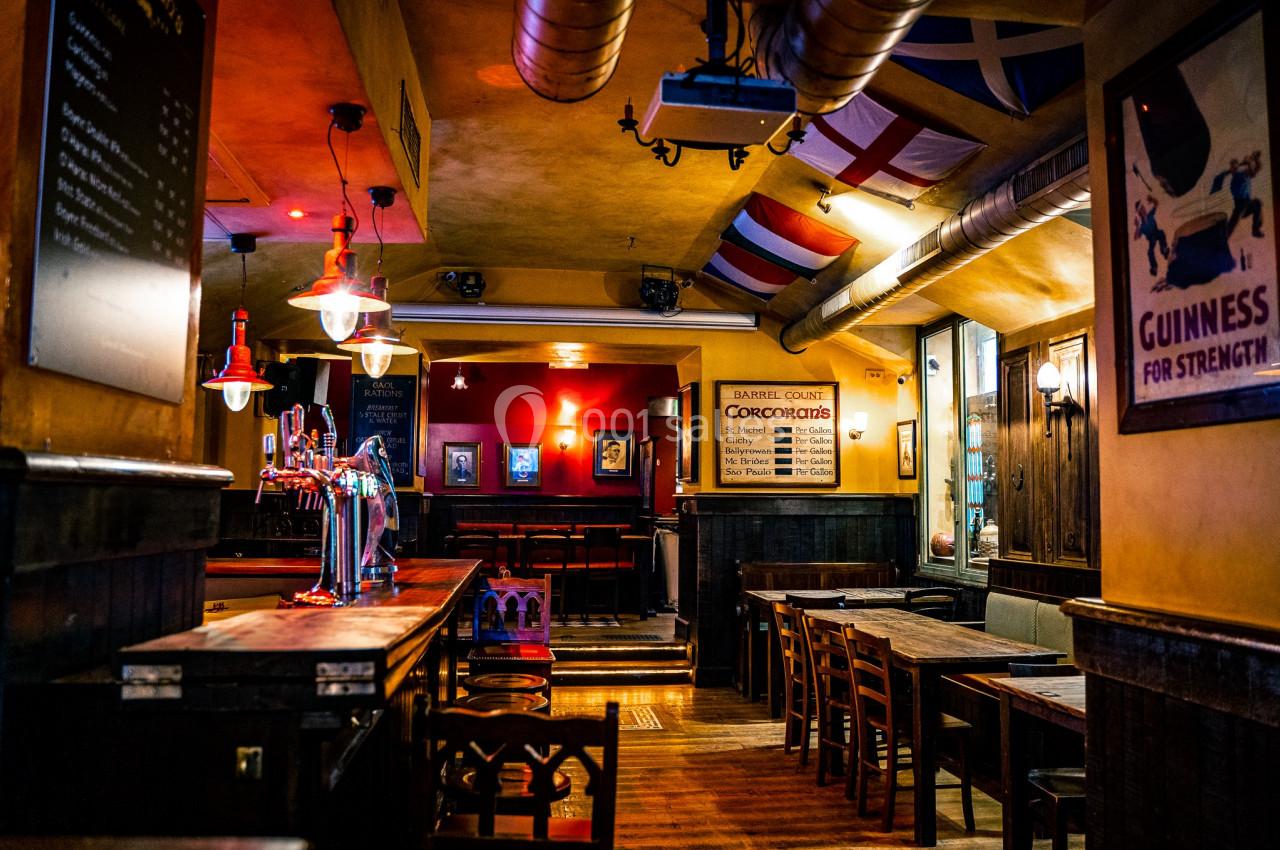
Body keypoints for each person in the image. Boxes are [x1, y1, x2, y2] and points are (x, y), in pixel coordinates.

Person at [1133, 194, 1169, 276]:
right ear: (1139, 213)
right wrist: (1137, 227)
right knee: (1150, 252)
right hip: (1151, 238)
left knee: (1161, 233)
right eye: (1141, 209)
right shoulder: (1142, 225)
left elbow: (1156, 204)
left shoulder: (1150, 215)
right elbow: (1136, 237)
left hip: (1156, 232)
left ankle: (1164, 249)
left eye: (1143, 208)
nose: (1143, 210)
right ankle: (1154, 267)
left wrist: (1152, 200)